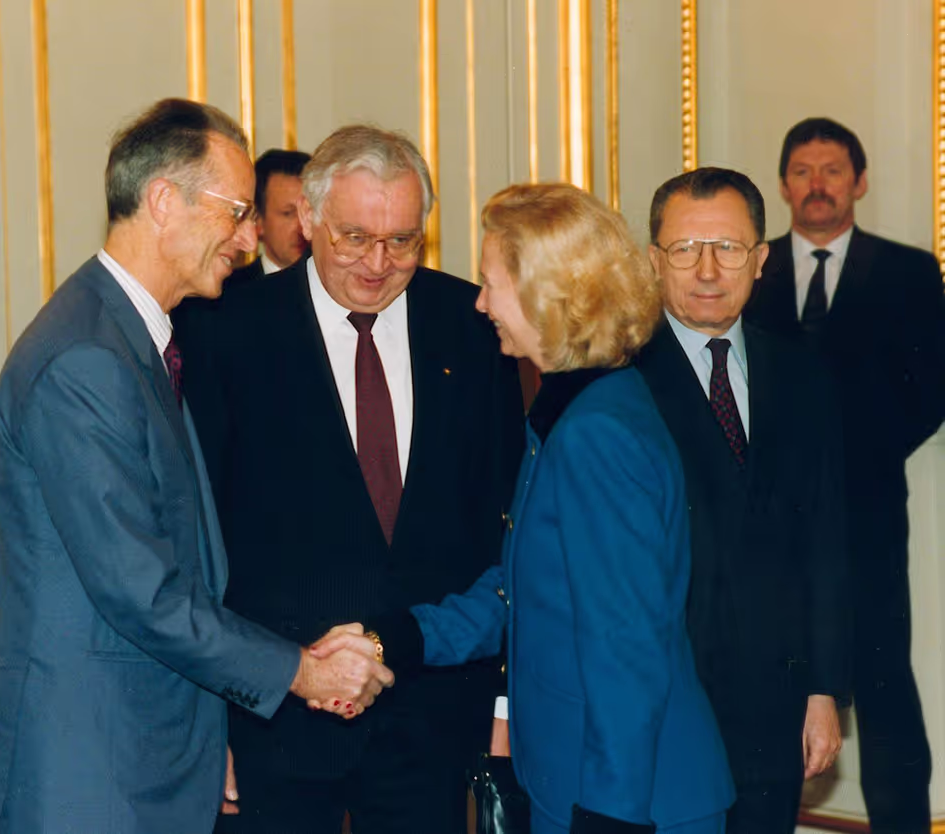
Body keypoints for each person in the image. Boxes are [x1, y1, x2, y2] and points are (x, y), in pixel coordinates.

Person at [0, 99, 393, 834]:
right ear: (163, 202)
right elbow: (146, 595)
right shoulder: (85, 361)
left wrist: (211, 736)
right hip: (89, 775)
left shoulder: (134, 340)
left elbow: (192, 565)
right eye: (235, 213)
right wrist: (301, 670)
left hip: (148, 758)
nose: (252, 238)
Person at [319, 182, 736, 834]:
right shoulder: (574, 414)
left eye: (491, 283)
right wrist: (394, 636)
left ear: (549, 293)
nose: (480, 303)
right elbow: (520, 594)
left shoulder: (597, 435)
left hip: (628, 802)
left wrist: (610, 820)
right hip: (578, 784)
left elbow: (626, 653)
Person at [174, 124, 525, 834]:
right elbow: (194, 544)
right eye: (354, 237)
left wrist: (500, 704)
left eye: (402, 240)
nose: (378, 263)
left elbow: (501, 522)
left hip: (429, 719)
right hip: (274, 717)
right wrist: (209, 726)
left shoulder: (473, 324)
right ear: (306, 219)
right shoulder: (224, 328)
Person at [633, 167, 851, 834]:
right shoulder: (619, 374)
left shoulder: (802, 375)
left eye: (727, 248)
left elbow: (828, 543)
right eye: (684, 249)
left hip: (775, 699)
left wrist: (822, 690)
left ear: (760, 259)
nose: (706, 270)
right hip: (663, 700)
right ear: (653, 260)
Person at [745, 117, 945, 834]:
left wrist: (852, 457)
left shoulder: (909, 271)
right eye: (802, 170)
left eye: (833, 170)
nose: (818, 184)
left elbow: (931, 388)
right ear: (783, 186)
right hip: (759, 516)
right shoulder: (749, 270)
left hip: (867, 516)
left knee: (884, 681)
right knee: (764, 672)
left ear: (858, 182)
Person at [233, 148, 312, 286]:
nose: (302, 227)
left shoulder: (343, 292)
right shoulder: (227, 294)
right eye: (288, 213)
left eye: (309, 212)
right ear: (258, 221)